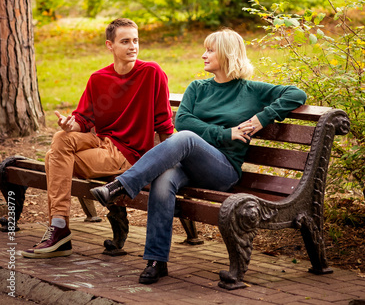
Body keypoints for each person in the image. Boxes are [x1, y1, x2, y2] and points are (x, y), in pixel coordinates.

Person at [91, 28, 307, 284]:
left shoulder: (252, 90)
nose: (203, 55)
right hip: (187, 166)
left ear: (227, 54)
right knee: (163, 180)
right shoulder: (198, 87)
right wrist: (226, 133)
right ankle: (156, 261)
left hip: (222, 171)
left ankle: (120, 186)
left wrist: (260, 118)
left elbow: (297, 94)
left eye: (210, 50)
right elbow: (182, 120)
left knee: (185, 138)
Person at [21, 18, 174, 259]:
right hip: (101, 142)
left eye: (135, 40)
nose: (133, 46)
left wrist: (168, 163)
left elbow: (164, 123)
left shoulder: (151, 73)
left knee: (53, 157)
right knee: (61, 138)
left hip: (128, 154)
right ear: (109, 45)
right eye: (125, 41)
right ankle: (60, 226)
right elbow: (83, 119)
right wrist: (71, 124)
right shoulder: (98, 78)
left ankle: (59, 228)